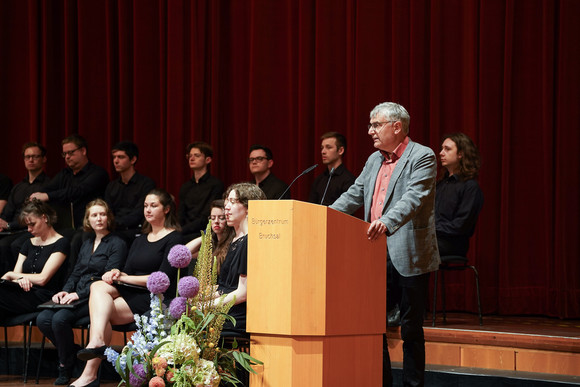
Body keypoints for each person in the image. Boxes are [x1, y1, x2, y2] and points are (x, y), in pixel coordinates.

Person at [330, 102, 439, 387]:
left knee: (411, 329)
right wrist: (324, 216)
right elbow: (354, 194)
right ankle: (381, 382)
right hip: (374, 253)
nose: (370, 131)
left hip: (409, 253)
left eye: (376, 125)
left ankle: (413, 385)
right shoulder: (373, 160)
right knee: (373, 325)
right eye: (370, 125)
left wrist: (387, 221)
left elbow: (414, 197)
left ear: (397, 126)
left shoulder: (422, 156)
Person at [70, 189, 182, 387]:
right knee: (98, 287)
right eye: (146, 205)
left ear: (166, 209)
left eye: (153, 205)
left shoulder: (174, 238)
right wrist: (115, 272)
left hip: (155, 297)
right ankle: (96, 345)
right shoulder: (140, 239)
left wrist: (125, 277)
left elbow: (163, 277)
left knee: (100, 314)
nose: (148, 209)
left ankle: (90, 372)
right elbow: (127, 270)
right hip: (131, 292)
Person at [36, 199, 127, 385]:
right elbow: (76, 272)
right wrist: (65, 291)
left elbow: (108, 277)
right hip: (75, 295)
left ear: (108, 217)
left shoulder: (117, 243)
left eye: (102, 214)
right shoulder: (86, 242)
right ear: (88, 220)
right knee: (42, 319)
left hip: (96, 298)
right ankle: (73, 355)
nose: (99, 218)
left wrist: (79, 294)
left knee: (59, 319)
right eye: (94, 215)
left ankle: (65, 366)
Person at [0, 200, 69, 315]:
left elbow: (42, 279)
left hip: (44, 296)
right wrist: (20, 279)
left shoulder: (61, 243)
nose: (29, 229)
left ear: (44, 218)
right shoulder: (28, 243)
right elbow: (16, 277)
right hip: (23, 293)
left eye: (32, 224)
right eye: (27, 225)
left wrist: (10, 274)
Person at [214, 183, 266, 334]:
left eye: (233, 202)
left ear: (249, 207)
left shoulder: (251, 241)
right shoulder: (237, 241)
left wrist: (208, 306)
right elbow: (226, 288)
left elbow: (243, 294)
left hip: (238, 317)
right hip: (230, 311)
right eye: (227, 202)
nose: (227, 208)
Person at [29, 134, 109, 230]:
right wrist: (39, 194)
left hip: (88, 226)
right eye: (64, 154)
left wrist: (47, 196)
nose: (67, 157)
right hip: (63, 225)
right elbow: (47, 188)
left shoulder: (98, 173)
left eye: (70, 153)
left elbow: (77, 191)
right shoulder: (65, 173)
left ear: (83, 151)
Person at [0, 143, 50, 273]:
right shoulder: (18, 187)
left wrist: (10, 225)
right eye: (27, 157)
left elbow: (39, 215)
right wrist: (2, 223)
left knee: (9, 245)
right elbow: (8, 211)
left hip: (30, 229)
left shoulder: (48, 185)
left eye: (35, 156)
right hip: (11, 229)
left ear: (44, 159)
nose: (31, 160)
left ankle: (13, 282)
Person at [436, 133, 484, 256]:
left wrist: (432, 229)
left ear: (460, 154)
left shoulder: (470, 187)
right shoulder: (440, 185)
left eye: (447, 149)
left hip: (452, 243)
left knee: (408, 252)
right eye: (442, 148)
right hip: (433, 239)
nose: (441, 153)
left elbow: (461, 225)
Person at [104, 141, 155, 245]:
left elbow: (139, 213)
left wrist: (114, 224)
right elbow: (108, 211)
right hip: (114, 228)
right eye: (114, 157)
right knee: (85, 236)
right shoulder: (112, 186)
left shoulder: (146, 184)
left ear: (133, 159)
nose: (116, 161)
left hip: (135, 230)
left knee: (113, 239)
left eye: (121, 157)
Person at [179, 142, 224, 241]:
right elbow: (181, 214)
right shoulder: (185, 187)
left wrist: (181, 230)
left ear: (208, 160)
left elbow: (207, 216)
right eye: (190, 156)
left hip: (205, 232)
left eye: (197, 155)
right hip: (184, 232)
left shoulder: (216, 185)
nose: (192, 158)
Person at [185, 199, 234, 274]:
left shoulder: (232, 244)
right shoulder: (211, 244)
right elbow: (184, 253)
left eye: (221, 218)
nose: (216, 221)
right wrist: (206, 236)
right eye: (213, 218)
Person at [308, 132, 356, 206]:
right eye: (322, 148)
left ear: (340, 151)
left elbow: (348, 208)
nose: (323, 152)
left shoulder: (348, 180)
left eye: (328, 147)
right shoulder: (319, 180)